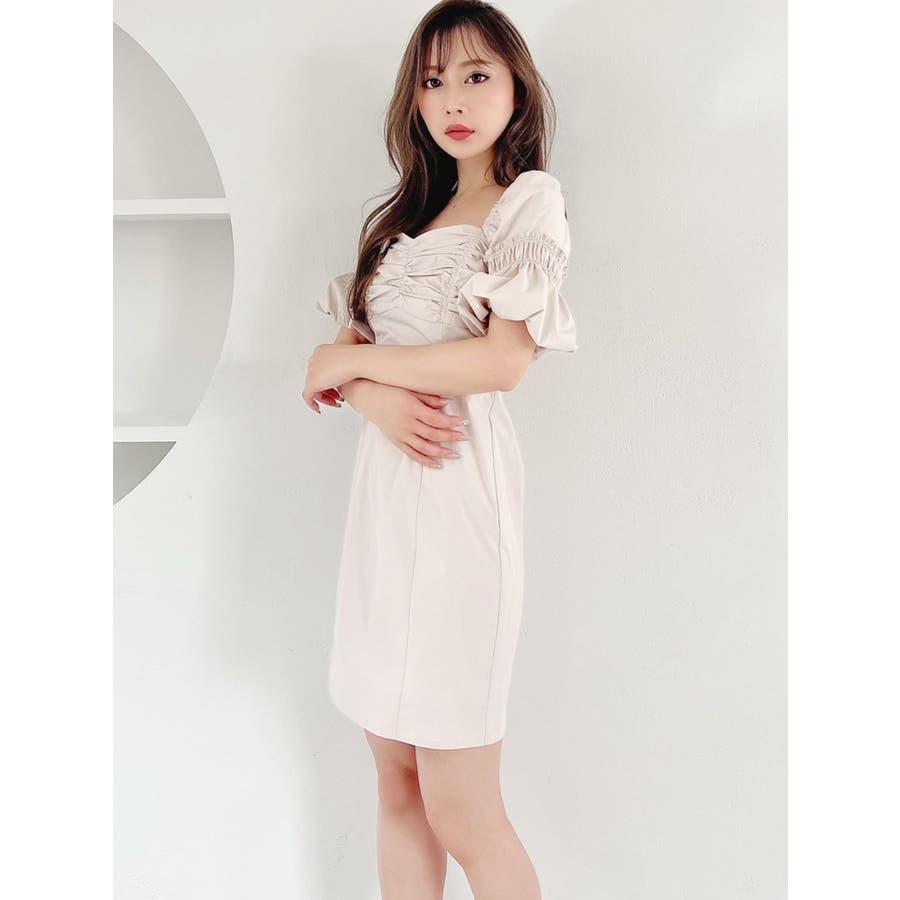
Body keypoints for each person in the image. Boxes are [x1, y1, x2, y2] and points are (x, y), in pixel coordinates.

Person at [303, 2, 577, 897]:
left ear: (516, 89)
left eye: (476, 75)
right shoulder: (402, 218)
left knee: (464, 808)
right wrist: (368, 391)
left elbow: (502, 363)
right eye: (432, 80)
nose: (452, 99)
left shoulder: (528, 203)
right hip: (384, 507)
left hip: (460, 501)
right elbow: (334, 365)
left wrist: (354, 367)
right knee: (397, 783)